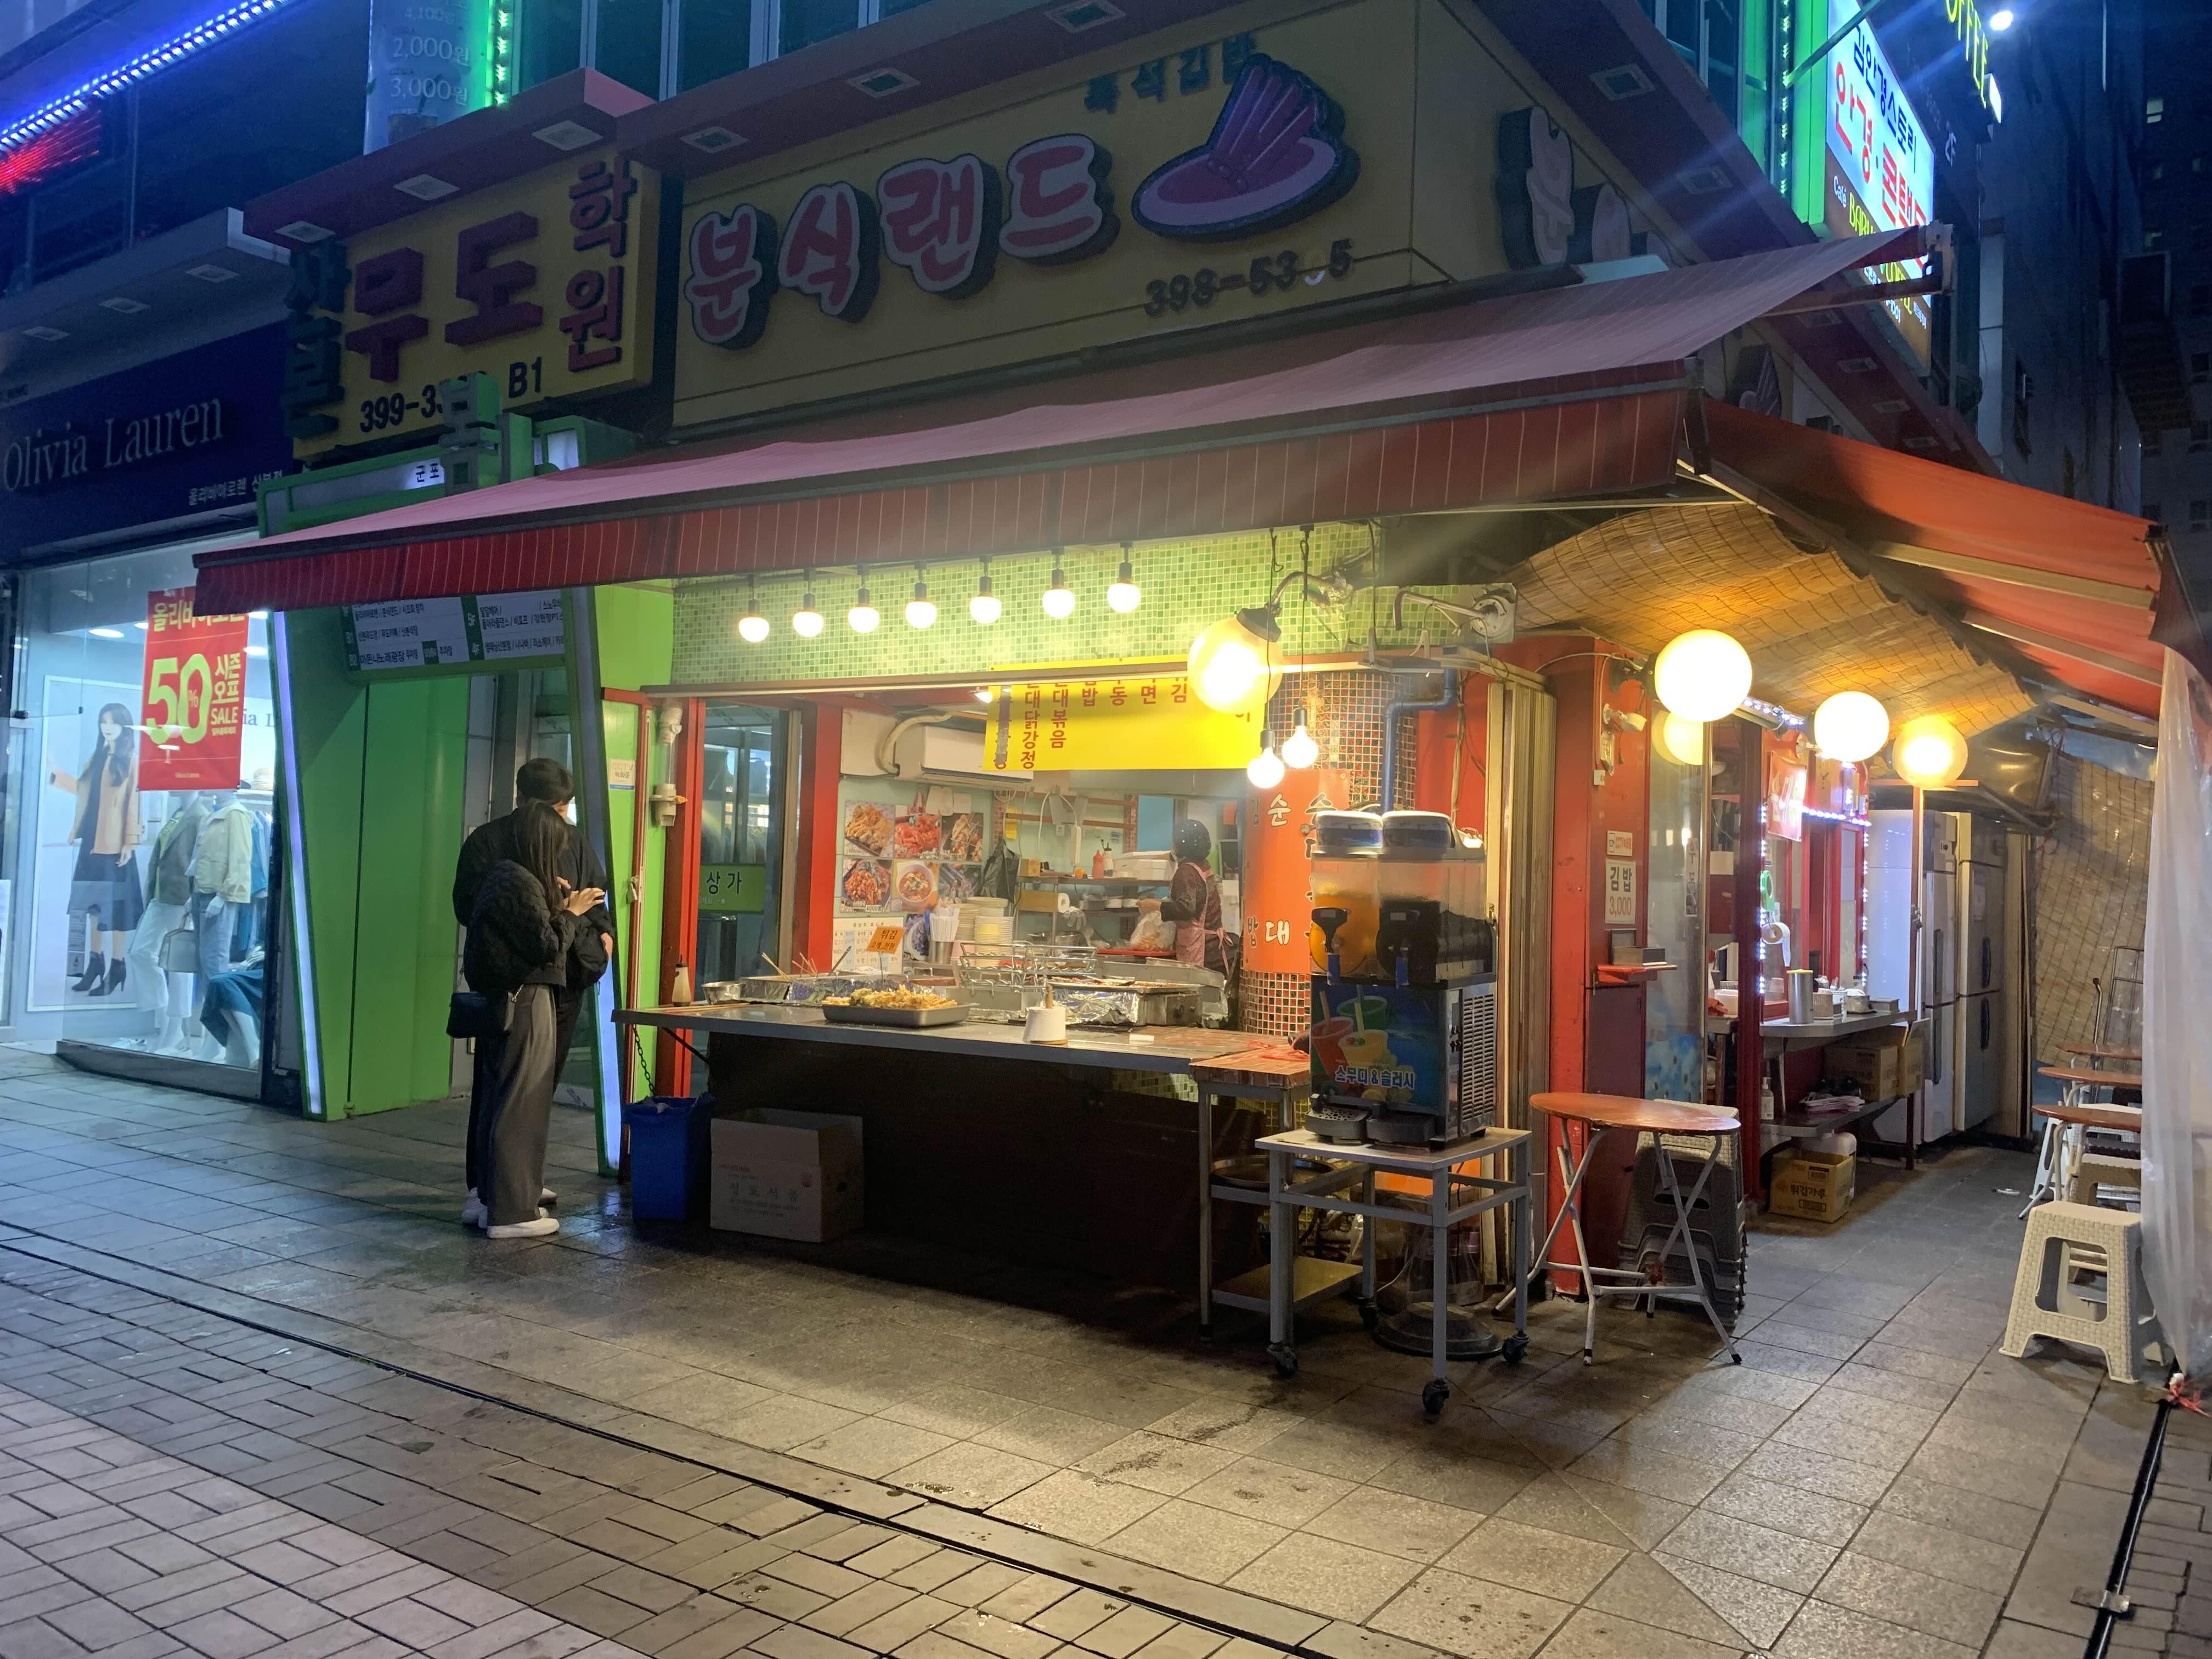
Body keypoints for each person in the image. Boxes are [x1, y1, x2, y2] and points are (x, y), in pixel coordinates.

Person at [453, 759, 614, 1224]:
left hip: (567, 978)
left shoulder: (573, 840)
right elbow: (470, 909)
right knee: (500, 1087)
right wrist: (556, 913)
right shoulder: (489, 844)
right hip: (514, 983)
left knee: (540, 1086)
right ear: (524, 800)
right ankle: (485, 1186)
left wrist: (604, 938)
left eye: (565, 808)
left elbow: (597, 899)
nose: (560, 820)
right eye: (555, 808)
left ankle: (521, 1181)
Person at [50, 703, 144, 997]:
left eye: (114, 722)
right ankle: (96, 963)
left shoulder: (131, 760)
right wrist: (54, 775)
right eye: (104, 722)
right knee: (92, 908)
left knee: (114, 910)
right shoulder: (98, 757)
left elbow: (134, 802)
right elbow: (83, 791)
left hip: (114, 847)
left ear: (125, 727)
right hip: (92, 843)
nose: (108, 727)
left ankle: (117, 965)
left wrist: (130, 842)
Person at [1142, 817, 1235, 976]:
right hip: (1214, 946)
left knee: (1197, 988)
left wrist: (1154, 905)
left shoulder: (1186, 872)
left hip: (1200, 949)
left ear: (1181, 845)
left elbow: (1186, 909)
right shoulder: (1203, 864)